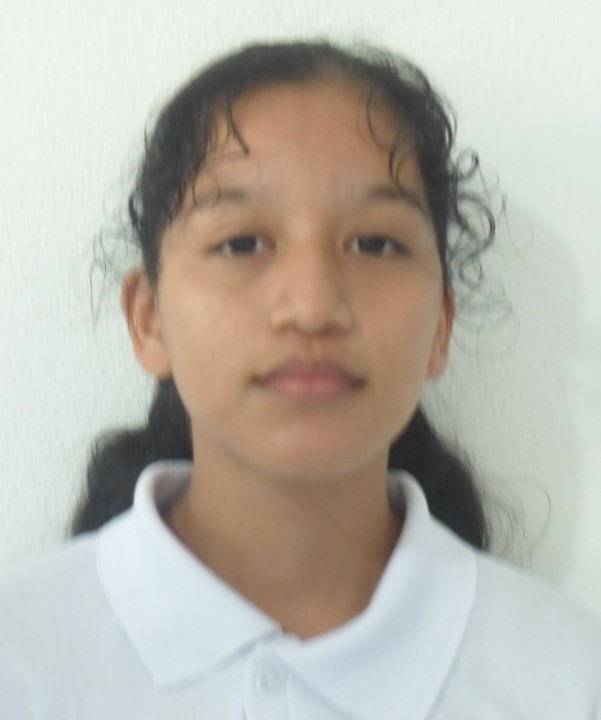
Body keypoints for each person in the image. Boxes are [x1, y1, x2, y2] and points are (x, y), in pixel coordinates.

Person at [0, 40, 599, 719]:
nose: (312, 306)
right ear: (148, 320)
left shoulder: (568, 679)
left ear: (440, 324)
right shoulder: (20, 656)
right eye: (241, 243)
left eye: (375, 244)